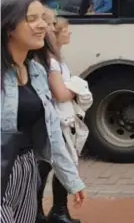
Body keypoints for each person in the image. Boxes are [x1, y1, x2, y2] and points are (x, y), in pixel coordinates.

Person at [1, 0, 87, 223]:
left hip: (28, 171)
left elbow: (53, 133)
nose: (43, 26)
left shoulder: (37, 72)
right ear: (9, 27)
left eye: (43, 18)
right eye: (32, 19)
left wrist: (72, 180)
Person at [38, 12, 91, 223]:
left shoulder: (56, 60)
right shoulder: (51, 62)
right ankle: (53, 211)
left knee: (56, 163)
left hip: (61, 119)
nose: (68, 31)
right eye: (60, 27)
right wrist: (78, 90)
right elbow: (60, 94)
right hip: (59, 119)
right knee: (48, 165)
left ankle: (54, 211)